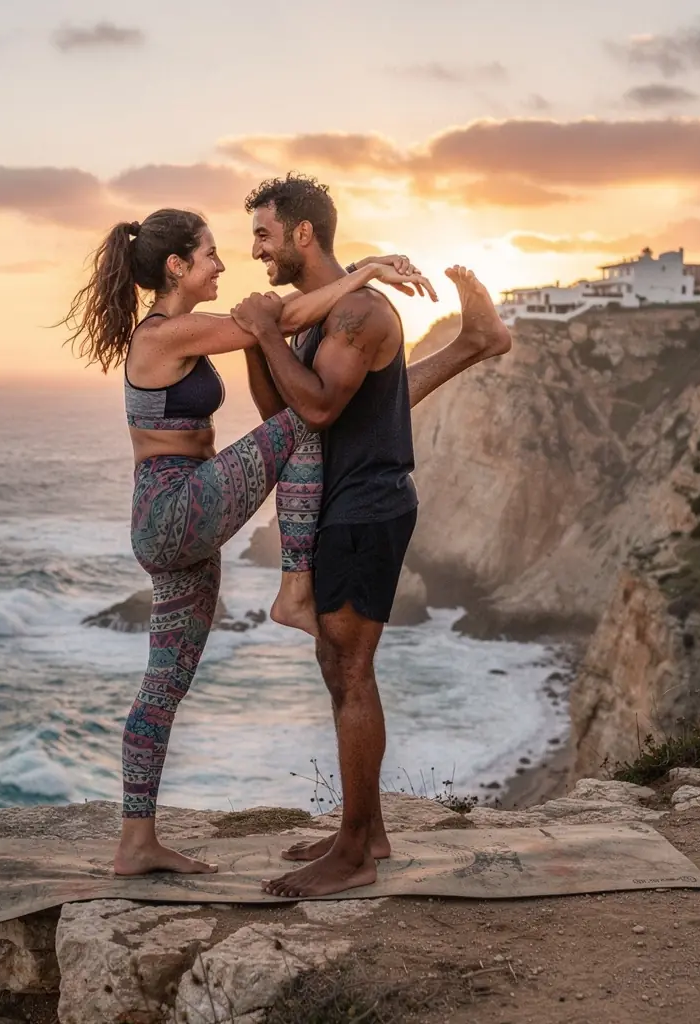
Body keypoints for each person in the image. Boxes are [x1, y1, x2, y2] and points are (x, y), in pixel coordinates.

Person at [62, 207, 433, 876]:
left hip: (176, 518)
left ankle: (136, 843)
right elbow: (278, 324)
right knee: (306, 422)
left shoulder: (177, 333)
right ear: (177, 266)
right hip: (176, 508)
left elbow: (273, 331)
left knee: (162, 686)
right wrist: (366, 273)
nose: (222, 264)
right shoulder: (166, 334)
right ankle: (295, 588)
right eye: (208, 254)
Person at [226, 174, 512, 897]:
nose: (255, 250)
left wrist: (265, 330)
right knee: (336, 663)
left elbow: (317, 408)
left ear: (301, 234)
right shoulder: (322, 316)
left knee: (351, 667)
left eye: (263, 235)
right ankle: (367, 828)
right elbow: (280, 410)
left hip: (368, 505)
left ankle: (355, 853)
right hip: (341, 502)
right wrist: (263, 342)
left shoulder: (361, 313)